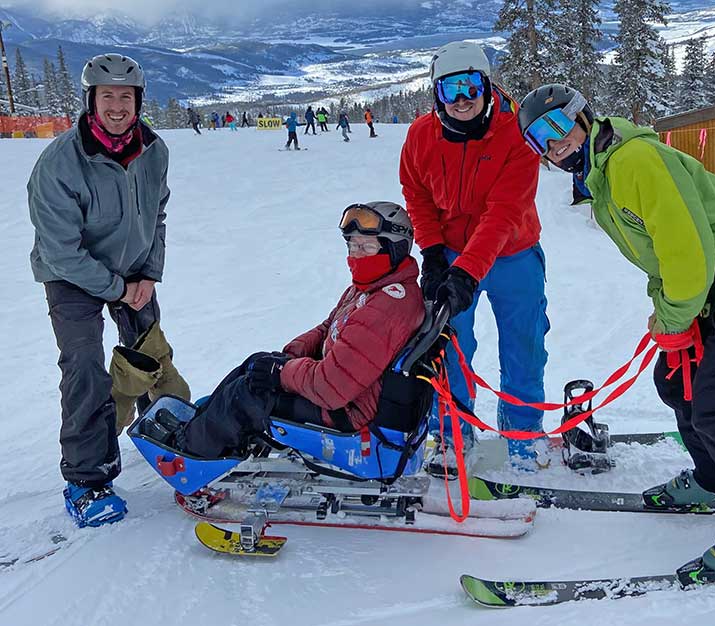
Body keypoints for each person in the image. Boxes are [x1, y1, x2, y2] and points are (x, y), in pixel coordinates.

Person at [517, 83, 715, 582]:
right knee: (677, 382)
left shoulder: (633, 162)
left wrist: (677, 316)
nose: (551, 144)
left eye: (554, 127)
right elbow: (658, 257)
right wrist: (668, 311)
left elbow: (686, 251)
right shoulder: (605, 177)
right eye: (536, 141)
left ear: (581, 117)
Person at [28, 53, 191, 528]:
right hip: (71, 277)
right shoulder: (60, 163)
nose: (117, 106)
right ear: (90, 101)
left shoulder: (154, 150)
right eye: (107, 96)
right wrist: (118, 288)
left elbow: (155, 217)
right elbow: (61, 252)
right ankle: (86, 477)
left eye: (126, 96)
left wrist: (149, 274)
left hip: (132, 268)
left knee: (150, 353)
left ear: (137, 101)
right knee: (84, 369)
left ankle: (169, 430)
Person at [144, 203, 424, 459]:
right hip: (347, 391)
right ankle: (203, 425)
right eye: (352, 246)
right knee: (257, 364)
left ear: (393, 248)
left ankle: (191, 450)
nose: (355, 256)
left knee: (249, 393)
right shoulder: (373, 287)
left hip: (348, 413)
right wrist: (286, 358)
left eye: (367, 247)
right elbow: (330, 327)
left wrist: (281, 374)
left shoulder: (385, 308)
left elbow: (332, 388)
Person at [399, 41, 547, 476]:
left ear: (486, 86)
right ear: (436, 94)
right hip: (449, 252)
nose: (462, 100)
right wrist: (431, 253)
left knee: (524, 343)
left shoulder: (517, 135)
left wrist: (467, 271)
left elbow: (503, 214)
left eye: (470, 87)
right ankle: (451, 431)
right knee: (446, 344)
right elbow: (417, 194)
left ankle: (521, 430)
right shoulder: (421, 136)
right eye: (450, 90)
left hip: (513, 252)